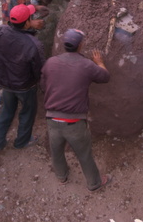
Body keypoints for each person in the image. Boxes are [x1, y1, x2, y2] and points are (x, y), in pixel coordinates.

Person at [41, 29, 112, 192]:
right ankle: (94, 183)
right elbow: (105, 77)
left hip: (52, 119)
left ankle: (61, 177)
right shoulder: (86, 65)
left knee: (56, 151)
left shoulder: (50, 62)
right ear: (80, 45)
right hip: (73, 122)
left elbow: (43, 85)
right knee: (84, 154)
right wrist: (99, 63)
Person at [0, 4, 45, 151]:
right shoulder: (33, 44)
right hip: (25, 86)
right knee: (27, 112)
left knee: (7, 110)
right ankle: (22, 141)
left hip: (4, 82)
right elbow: (39, 70)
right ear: (27, 22)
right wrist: (36, 83)